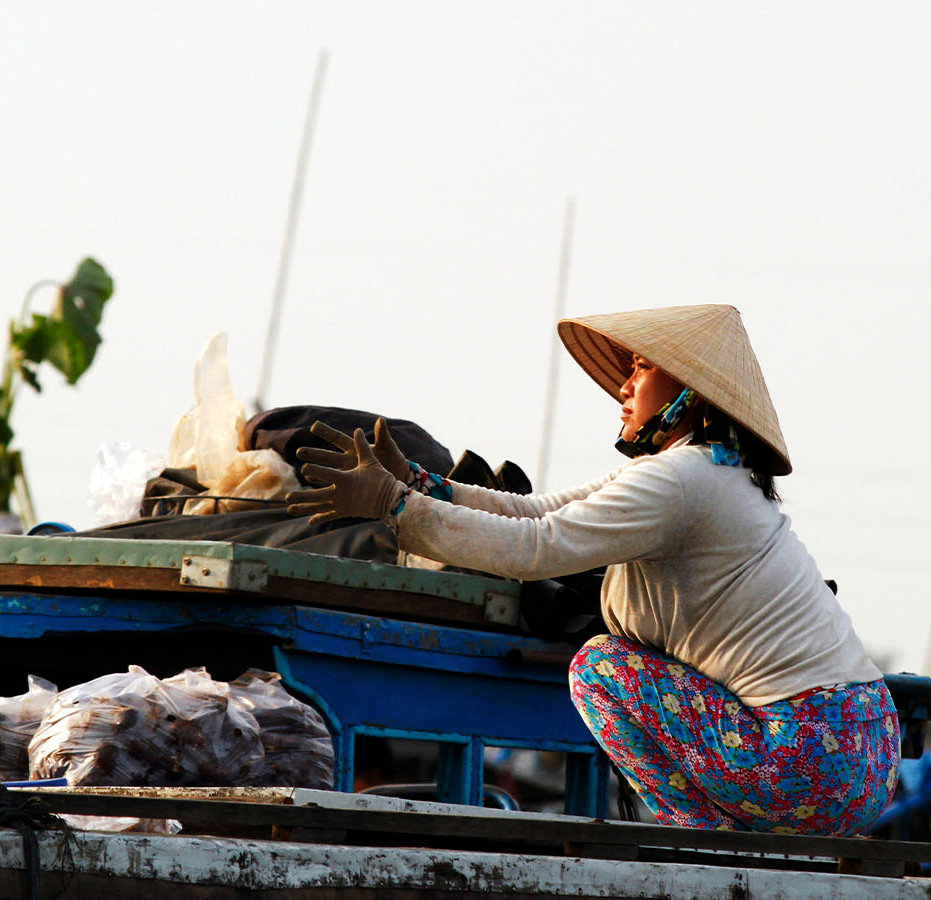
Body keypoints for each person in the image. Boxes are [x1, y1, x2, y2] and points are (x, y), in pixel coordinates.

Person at [286, 304, 898, 834]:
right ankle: (721, 837)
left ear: (689, 391)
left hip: (805, 759)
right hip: (860, 750)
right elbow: (536, 510)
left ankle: (709, 840)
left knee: (601, 668)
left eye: (641, 369)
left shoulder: (681, 479)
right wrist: (421, 487)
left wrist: (395, 507)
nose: (625, 388)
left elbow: (536, 548)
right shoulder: (709, 470)